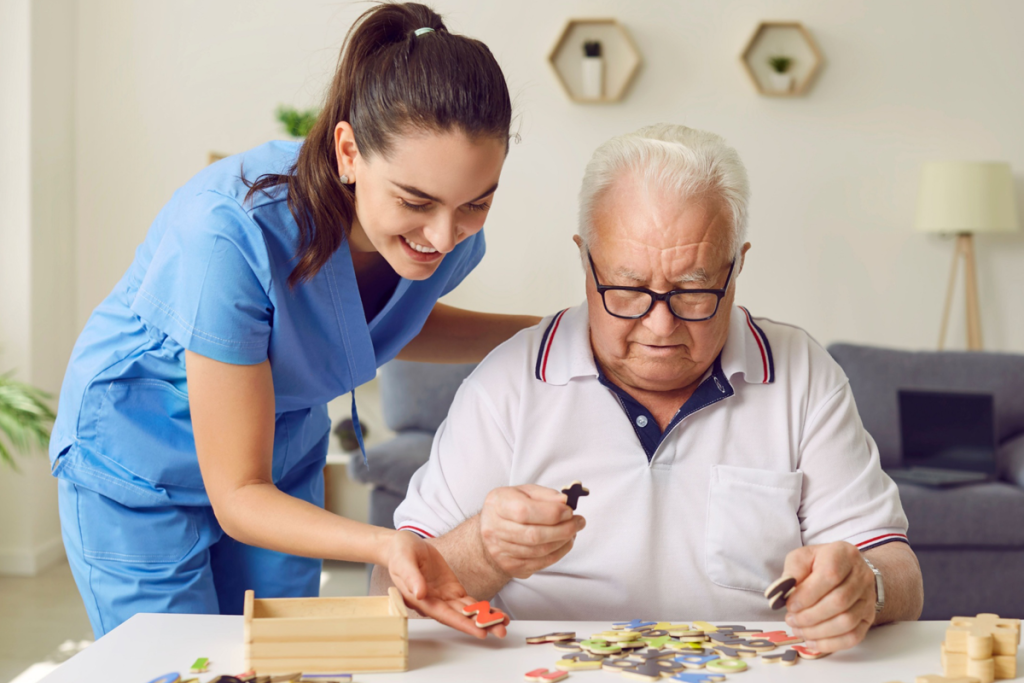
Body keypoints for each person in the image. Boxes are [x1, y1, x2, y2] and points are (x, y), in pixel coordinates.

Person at [49, 2, 535, 639]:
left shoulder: (440, 236)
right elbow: (239, 492)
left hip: (278, 458)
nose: (444, 235)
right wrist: (387, 546)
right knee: (184, 661)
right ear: (349, 151)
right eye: (415, 201)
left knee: (282, 656)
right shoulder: (231, 233)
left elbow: (384, 322)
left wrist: (555, 330)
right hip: (140, 463)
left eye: (477, 202)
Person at [380, 124, 925, 653]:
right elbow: (387, 589)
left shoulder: (803, 373)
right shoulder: (508, 382)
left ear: (737, 267)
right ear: (584, 261)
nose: (660, 327)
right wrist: (483, 550)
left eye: (693, 290)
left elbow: (900, 573)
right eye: (627, 287)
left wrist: (866, 587)